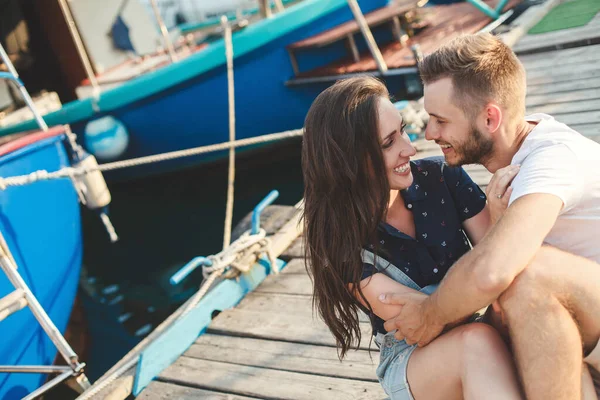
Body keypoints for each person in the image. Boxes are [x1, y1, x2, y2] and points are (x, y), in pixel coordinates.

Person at [379, 32, 600, 400]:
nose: (428, 134)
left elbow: (495, 270)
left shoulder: (552, 161)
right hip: (586, 321)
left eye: (440, 120)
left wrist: (432, 313)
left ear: (489, 118)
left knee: (524, 274)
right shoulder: (519, 162)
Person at [301, 76, 523, 400]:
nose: (411, 148)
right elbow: (419, 324)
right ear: (348, 161)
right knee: (477, 341)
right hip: (411, 360)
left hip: (478, 322)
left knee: (530, 303)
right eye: (389, 143)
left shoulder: (442, 176)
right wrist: (480, 284)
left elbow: (503, 267)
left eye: (403, 130)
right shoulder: (338, 240)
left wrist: (501, 228)